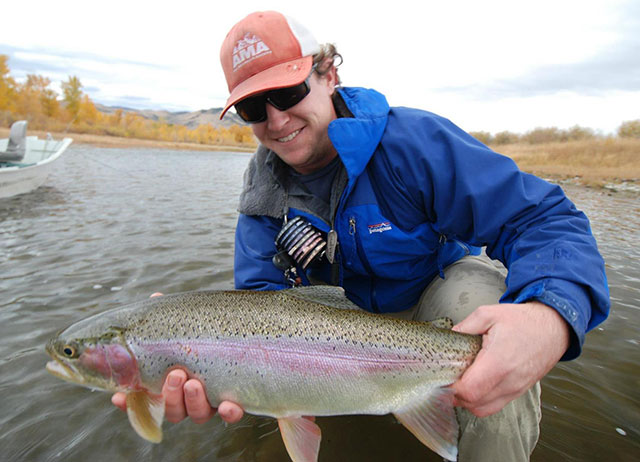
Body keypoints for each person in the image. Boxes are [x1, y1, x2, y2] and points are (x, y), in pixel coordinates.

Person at [113, 11, 610, 461]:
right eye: (253, 110)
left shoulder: (413, 144)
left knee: (485, 313)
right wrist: (193, 337)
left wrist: (550, 318)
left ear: (328, 75)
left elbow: (543, 219)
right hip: (333, 342)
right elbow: (260, 301)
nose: (277, 121)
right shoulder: (263, 190)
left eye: (288, 94)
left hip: (436, 307)